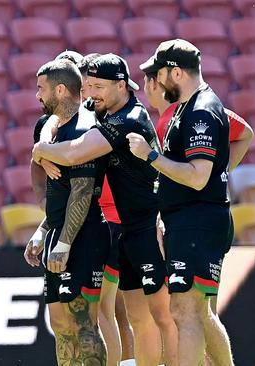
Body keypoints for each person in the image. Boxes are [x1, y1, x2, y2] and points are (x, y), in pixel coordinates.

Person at [33, 53, 179, 366]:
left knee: (166, 318)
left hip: (152, 225)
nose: (91, 94)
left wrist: (42, 151)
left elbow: (75, 153)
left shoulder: (127, 120)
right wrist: (43, 154)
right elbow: (55, 120)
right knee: (140, 320)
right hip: (126, 227)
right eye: (87, 87)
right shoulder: (101, 110)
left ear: (122, 85)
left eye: (98, 86)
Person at [128, 39, 234, 366]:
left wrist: (150, 156)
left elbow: (198, 176)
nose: (156, 83)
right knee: (198, 311)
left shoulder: (201, 110)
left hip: (197, 221)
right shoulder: (189, 107)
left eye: (158, 75)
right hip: (190, 220)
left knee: (184, 310)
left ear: (176, 72)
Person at [24, 59, 109, 365]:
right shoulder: (52, 126)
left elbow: (82, 192)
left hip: (82, 236)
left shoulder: (84, 128)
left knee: (84, 325)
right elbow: (57, 192)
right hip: (58, 232)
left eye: (40, 88)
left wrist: (64, 243)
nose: (37, 96)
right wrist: (44, 230)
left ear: (60, 90)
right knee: (60, 326)